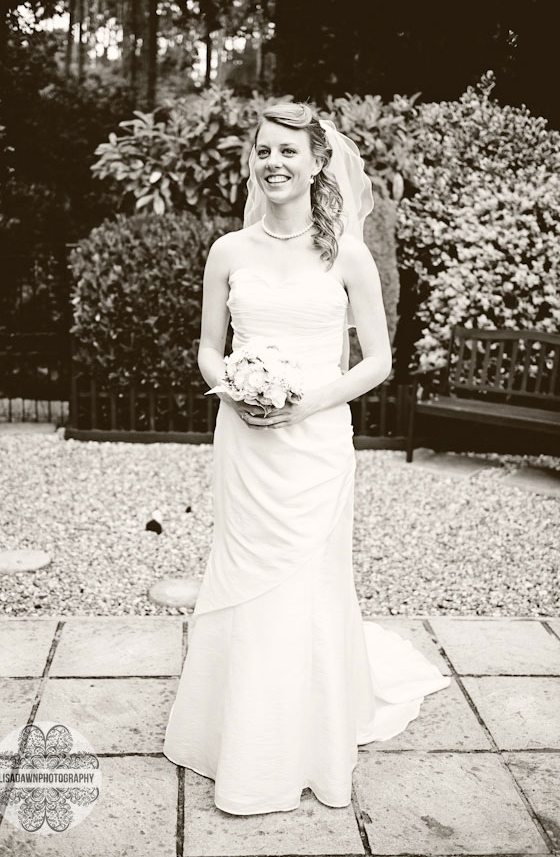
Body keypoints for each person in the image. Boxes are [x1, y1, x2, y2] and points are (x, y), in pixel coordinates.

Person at [162, 102, 450, 816]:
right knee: (246, 577)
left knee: (308, 584)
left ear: (319, 163)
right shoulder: (228, 250)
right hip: (246, 444)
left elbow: (379, 361)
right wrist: (230, 384)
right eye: (263, 151)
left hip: (317, 446)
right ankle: (240, 733)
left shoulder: (347, 255)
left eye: (289, 151)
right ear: (252, 162)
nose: (274, 163)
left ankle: (306, 735)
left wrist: (305, 402)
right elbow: (206, 345)